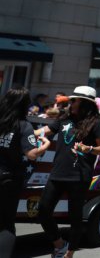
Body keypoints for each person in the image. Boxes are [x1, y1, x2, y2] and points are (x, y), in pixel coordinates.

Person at [39, 86, 100, 258]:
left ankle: (69, 253)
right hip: (58, 173)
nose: (70, 103)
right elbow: (45, 131)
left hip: (79, 176)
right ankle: (60, 244)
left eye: (74, 100)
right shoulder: (65, 119)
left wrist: (88, 148)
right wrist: (23, 132)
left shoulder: (96, 123)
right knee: (43, 210)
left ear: (84, 103)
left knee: (75, 217)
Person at [0, 88, 50, 256]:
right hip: (8, 179)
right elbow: (32, 154)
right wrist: (45, 145)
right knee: (6, 224)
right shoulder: (23, 125)